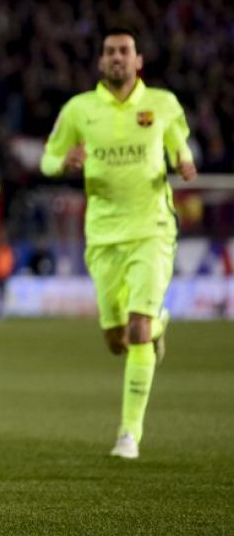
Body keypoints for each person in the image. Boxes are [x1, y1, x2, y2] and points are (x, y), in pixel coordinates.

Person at [40, 26, 196, 459]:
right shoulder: (79, 109)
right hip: (103, 234)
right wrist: (65, 161)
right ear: (100, 61)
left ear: (138, 60)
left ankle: (129, 434)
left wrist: (183, 159)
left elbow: (179, 143)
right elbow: (47, 158)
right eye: (109, 51)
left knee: (137, 329)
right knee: (116, 340)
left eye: (124, 51)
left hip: (152, 229)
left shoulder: (161, 104)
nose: (117, 58)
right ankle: (159, 323)